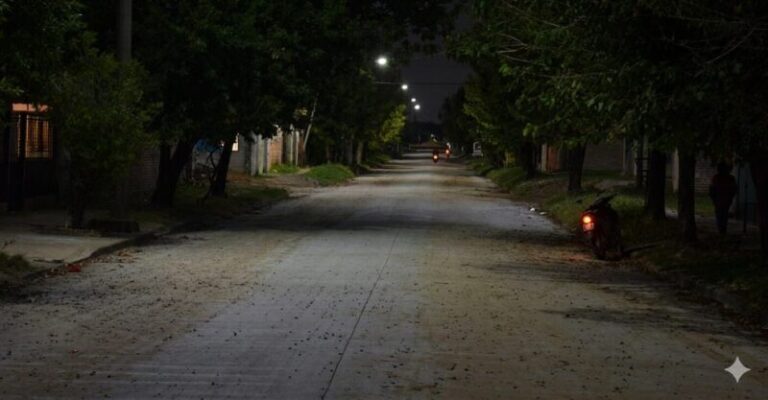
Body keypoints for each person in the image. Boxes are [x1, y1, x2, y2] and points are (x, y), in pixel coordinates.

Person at [709, 162, 738, 235]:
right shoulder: (730, 178)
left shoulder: (717, 177)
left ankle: (721, 230)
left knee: (720, 215)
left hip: (720, 199)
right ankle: (722, 230)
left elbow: (712, 189)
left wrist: (713, 198)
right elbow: (734, 189)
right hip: (723, 199)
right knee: (723, 215)